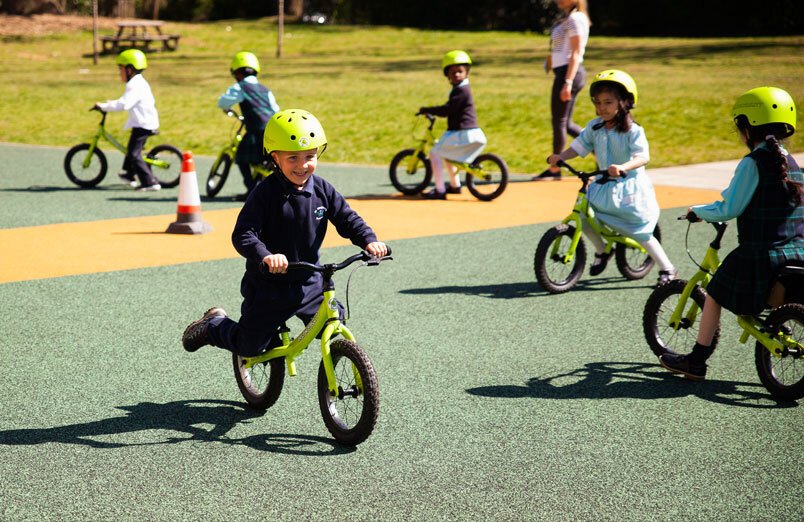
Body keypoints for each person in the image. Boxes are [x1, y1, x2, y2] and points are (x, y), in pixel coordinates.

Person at [181, 109, 388, 357]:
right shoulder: (265, 193)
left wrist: (369, 241)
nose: (302, 166)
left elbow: (347, 218)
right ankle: (214, 325)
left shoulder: (323, 190)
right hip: (270, 284)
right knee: (251, 347)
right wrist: (265, 255)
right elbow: (243, 233)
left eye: (310, 156)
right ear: (275, 157)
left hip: (310, 280)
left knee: (334, 324)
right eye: (292, 158)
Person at [660, 86, 804, 381]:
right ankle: (778, 323)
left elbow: (729, 207)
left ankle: (697, 361)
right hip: (797, 251)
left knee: (713, 293)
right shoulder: (793, 164)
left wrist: (698, 211)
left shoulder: (753, 163)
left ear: (747, 127)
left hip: (762, 255)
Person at [546, 69, 678, 285]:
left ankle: (668, 268)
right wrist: (560, 156)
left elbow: (642, 157)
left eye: (608, 102)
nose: (601, 108)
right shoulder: (595, 127)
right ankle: (602, 250)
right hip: (604, 186)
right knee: (583, 218)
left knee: (640, 233)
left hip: (628, 190)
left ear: (624, 102)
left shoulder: (633, 131)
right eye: (597, 102)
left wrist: (623, 166)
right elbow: (579, 147)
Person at [417, 50, 487, 200]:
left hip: (463, 133)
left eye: (460, 71)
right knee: (448, 156)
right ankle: (455, 186)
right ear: (447, 75)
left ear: (467, 72)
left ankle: (440, 190)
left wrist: (428, 110)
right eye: (453, 72)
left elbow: (447, 110)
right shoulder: (461, 89)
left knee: (435, 154)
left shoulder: (461, 91)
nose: (456, 75)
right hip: (467, 132)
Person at [533, 0, 590, 181]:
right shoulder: (568, 18)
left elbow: (575, 52)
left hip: (569, 73)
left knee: (559, 122)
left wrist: (567, 81)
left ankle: (555, 169)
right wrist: (552, 61)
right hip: (564, 71)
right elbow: (562, 48)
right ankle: (597, 148)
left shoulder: (575, 18)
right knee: (565, 124)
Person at [93, 49, 161, 191]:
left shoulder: (134, 85)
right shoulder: (138, 82)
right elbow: (125, 101)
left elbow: (124, 104)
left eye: (121, 69)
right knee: (131, 148)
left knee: (133, 153)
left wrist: (104, 106)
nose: (119, 73)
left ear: (130, 70)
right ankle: (128, 174)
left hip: (144, 124)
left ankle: (150, 183)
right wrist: (110, 103)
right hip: (142, 122)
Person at [218, 51, 281, 201]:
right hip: (273, 128)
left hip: (256, 129)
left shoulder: (240, 87)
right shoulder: (265, 89)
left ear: (236, 72)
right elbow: (276, 109)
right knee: (265, 158)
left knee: (241, 157)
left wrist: (226, 106)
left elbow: (223, 102)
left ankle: (251, 190)